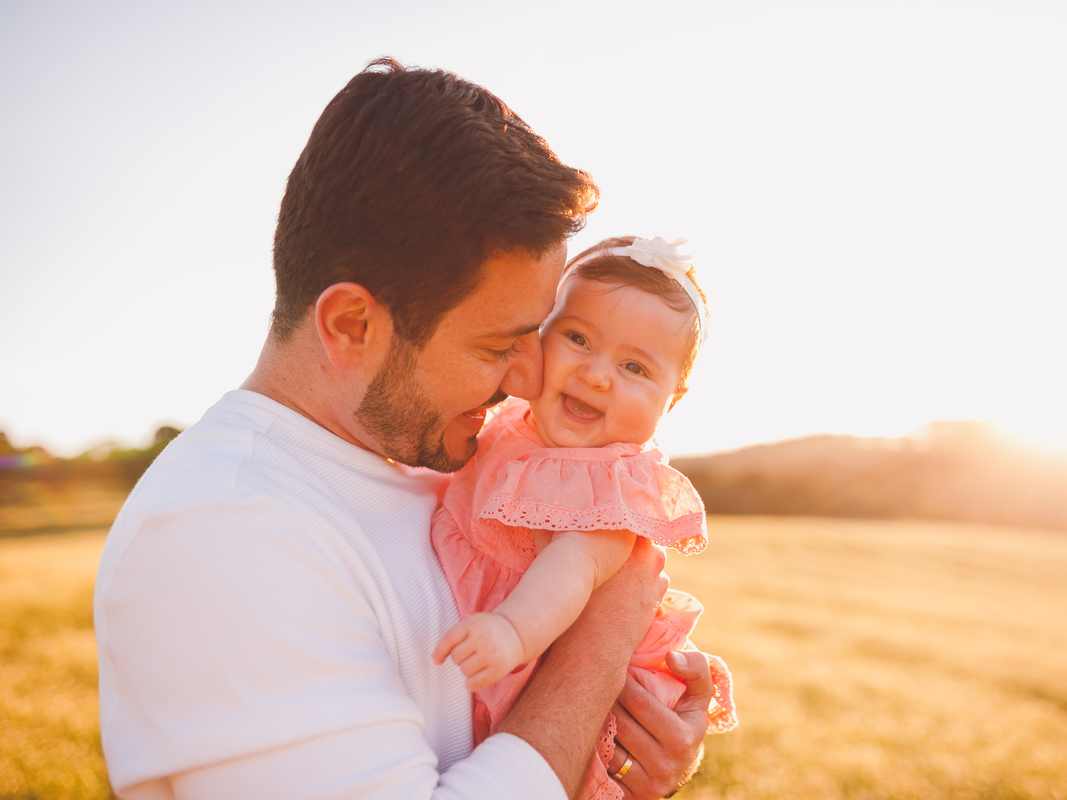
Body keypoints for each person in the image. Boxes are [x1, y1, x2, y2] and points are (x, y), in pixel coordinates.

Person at [93, 59, 712, 800]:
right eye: (496, 345)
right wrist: (603, 640)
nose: (529, 379)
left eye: (539, 334)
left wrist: (628, 742)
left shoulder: (443, 458)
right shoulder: (220, 530)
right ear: (353, 325)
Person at [430, 235, 737, 800]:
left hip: (550, 649)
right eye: (577, 338)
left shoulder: (612, 483)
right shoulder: (509, 424)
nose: (597, 376)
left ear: (674, 399)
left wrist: (512, 629)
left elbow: (573, 565)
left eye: (634, 367)